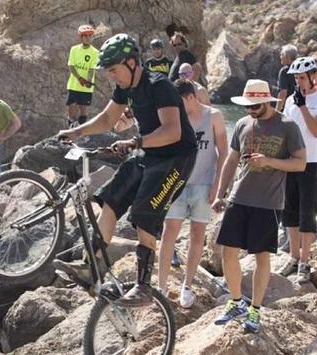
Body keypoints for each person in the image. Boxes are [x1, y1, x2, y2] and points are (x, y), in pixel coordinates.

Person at [55, 33, 198, 306]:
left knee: (143, 213)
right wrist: (76, 132)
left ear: (132, 62)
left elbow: (172, 131)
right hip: (149, 152)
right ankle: (92, 264)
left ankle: (144, 287)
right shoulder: (126, 87)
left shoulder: (160, 86)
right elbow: (109, 118)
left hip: (176, 158)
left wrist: (136, 141)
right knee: (111, 198)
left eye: (113, 70)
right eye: (107, 71)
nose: (110, 77)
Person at [211, 79, 306, 332]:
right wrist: (220, 193)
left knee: (261, 256)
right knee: (227, 251)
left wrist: (269, 161)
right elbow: (231, 161)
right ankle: (235, 302)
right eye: (247, 106)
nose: (250, 110)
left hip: (269, 202)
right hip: (239, 197)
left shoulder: (287, 126)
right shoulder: (242, 124)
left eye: (255, 106)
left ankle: (255, 310)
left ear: (267, 101)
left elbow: (300, 163)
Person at [157, 79, 228, 307]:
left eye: (179, 102)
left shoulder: (213, 116)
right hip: (178, 182)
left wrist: (218, 187)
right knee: (169, 233)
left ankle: (187, 286)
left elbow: (224, 152)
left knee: (198, 234)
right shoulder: (176, 118)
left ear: (190, 97)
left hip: (205, 184)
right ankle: (161, 286)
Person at [278, 56, 317, 283]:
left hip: (310, 162)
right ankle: (293, 256)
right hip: (290, 159)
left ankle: (305, 261)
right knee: (289, 212)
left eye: (302, 78)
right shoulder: (291, 100)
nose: (298, 82)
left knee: (307, 213)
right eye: (296, 78)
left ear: (312, 77)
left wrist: (302, 107)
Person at [66, 25, 100, 128]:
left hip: (86, 87)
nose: (87, 38)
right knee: (71, 106)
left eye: (90, 35)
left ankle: (82, 129)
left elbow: (91, 69)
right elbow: (71, 66)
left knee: (83, 108)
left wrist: (88, 81)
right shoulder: (74, 49)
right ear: (81, 37)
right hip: (73, 84)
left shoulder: (95, 52)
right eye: (85, 36)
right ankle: (71, 127)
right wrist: (79, 79)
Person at [275, 44, 298, 112]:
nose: (280, 57)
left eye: (282, 54)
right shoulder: (302, 69)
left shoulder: (284, 71)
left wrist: (277, 111)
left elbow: (283, 92)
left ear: (287, 56)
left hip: (290, 108)